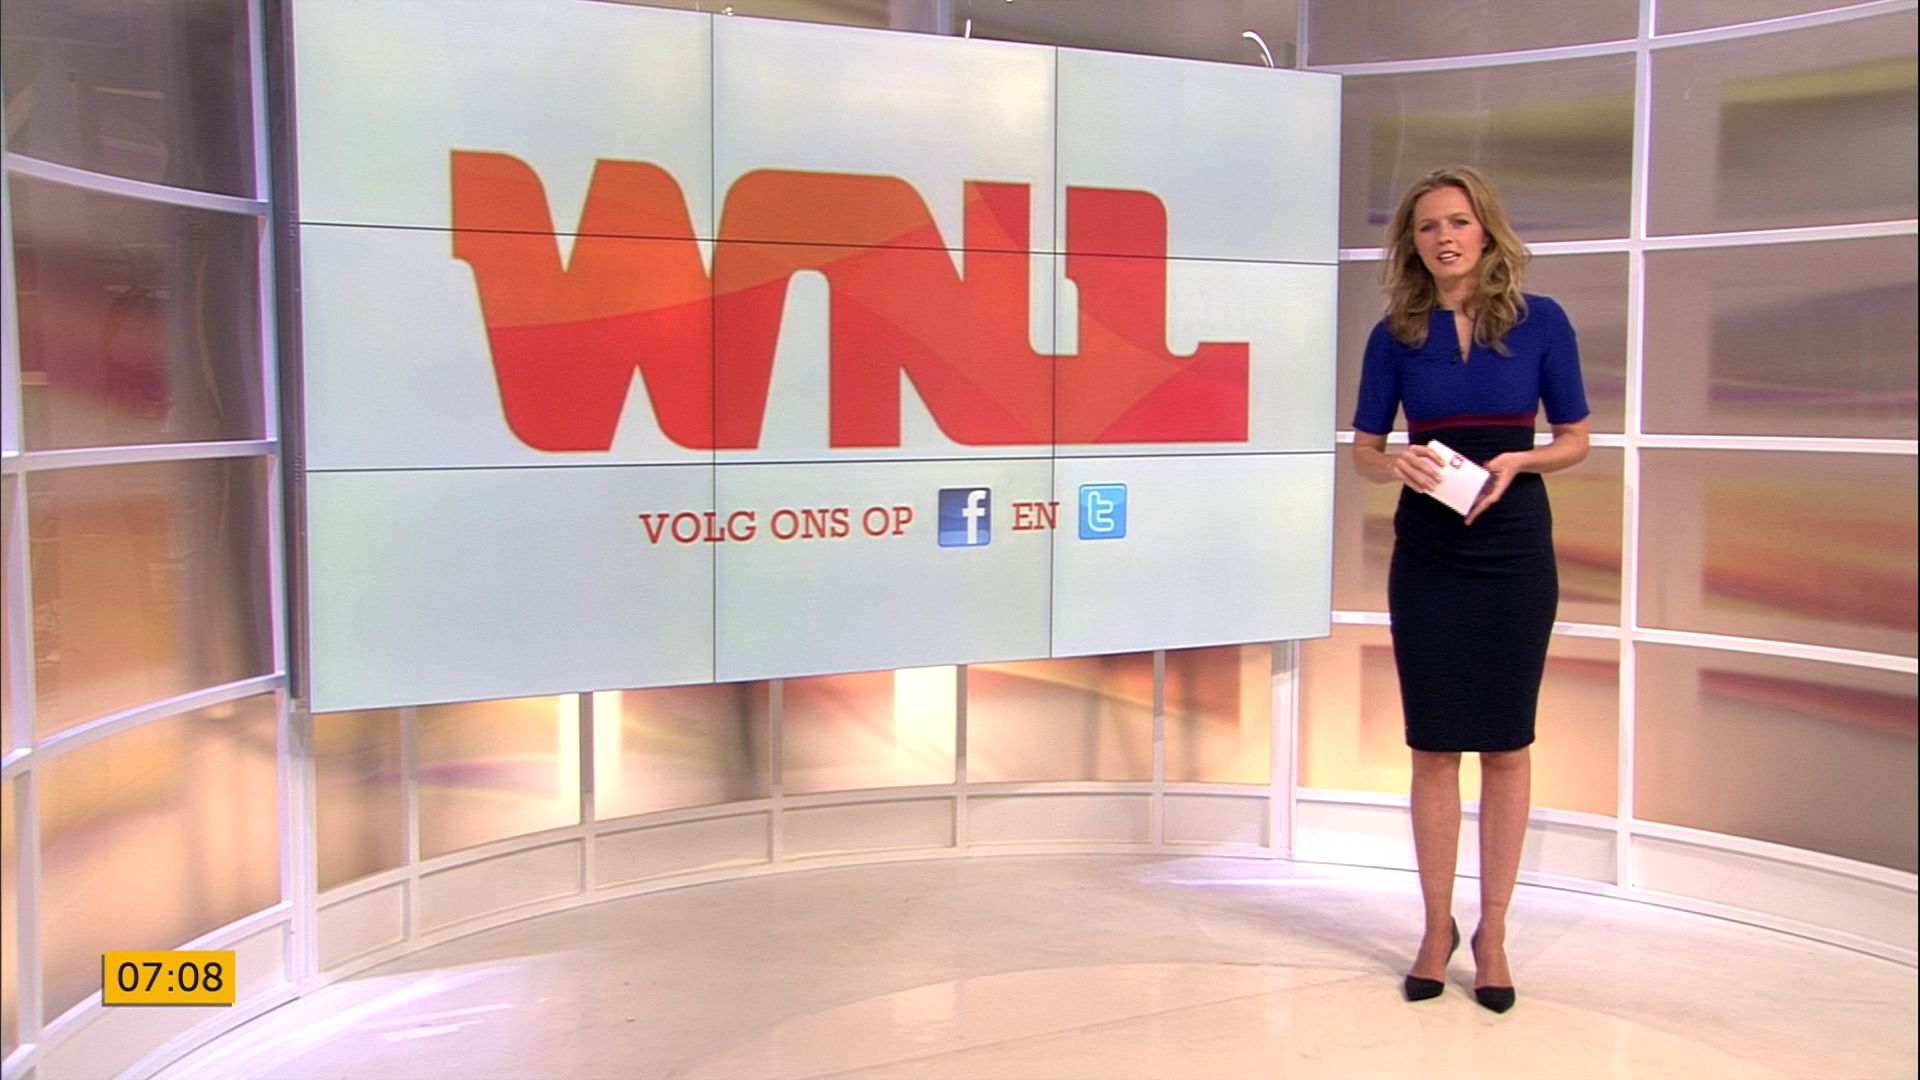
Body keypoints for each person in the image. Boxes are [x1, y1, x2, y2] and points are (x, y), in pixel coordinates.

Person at [1349, 165, 1590, 1013]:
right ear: (1411, 243)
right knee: (1434, 745)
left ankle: (1493, 935)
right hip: (1430, 550)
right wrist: (1397, 464)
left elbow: (1576, 438)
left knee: (1506, 744)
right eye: (1426, 227)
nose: (1443, 238)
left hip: (1514, 545)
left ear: (1486, 229)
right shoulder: (1394, 334)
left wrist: (1523, 459)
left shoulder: (1541, 321)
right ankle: (1433, 928)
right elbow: (1364, 451)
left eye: (1456, 222)